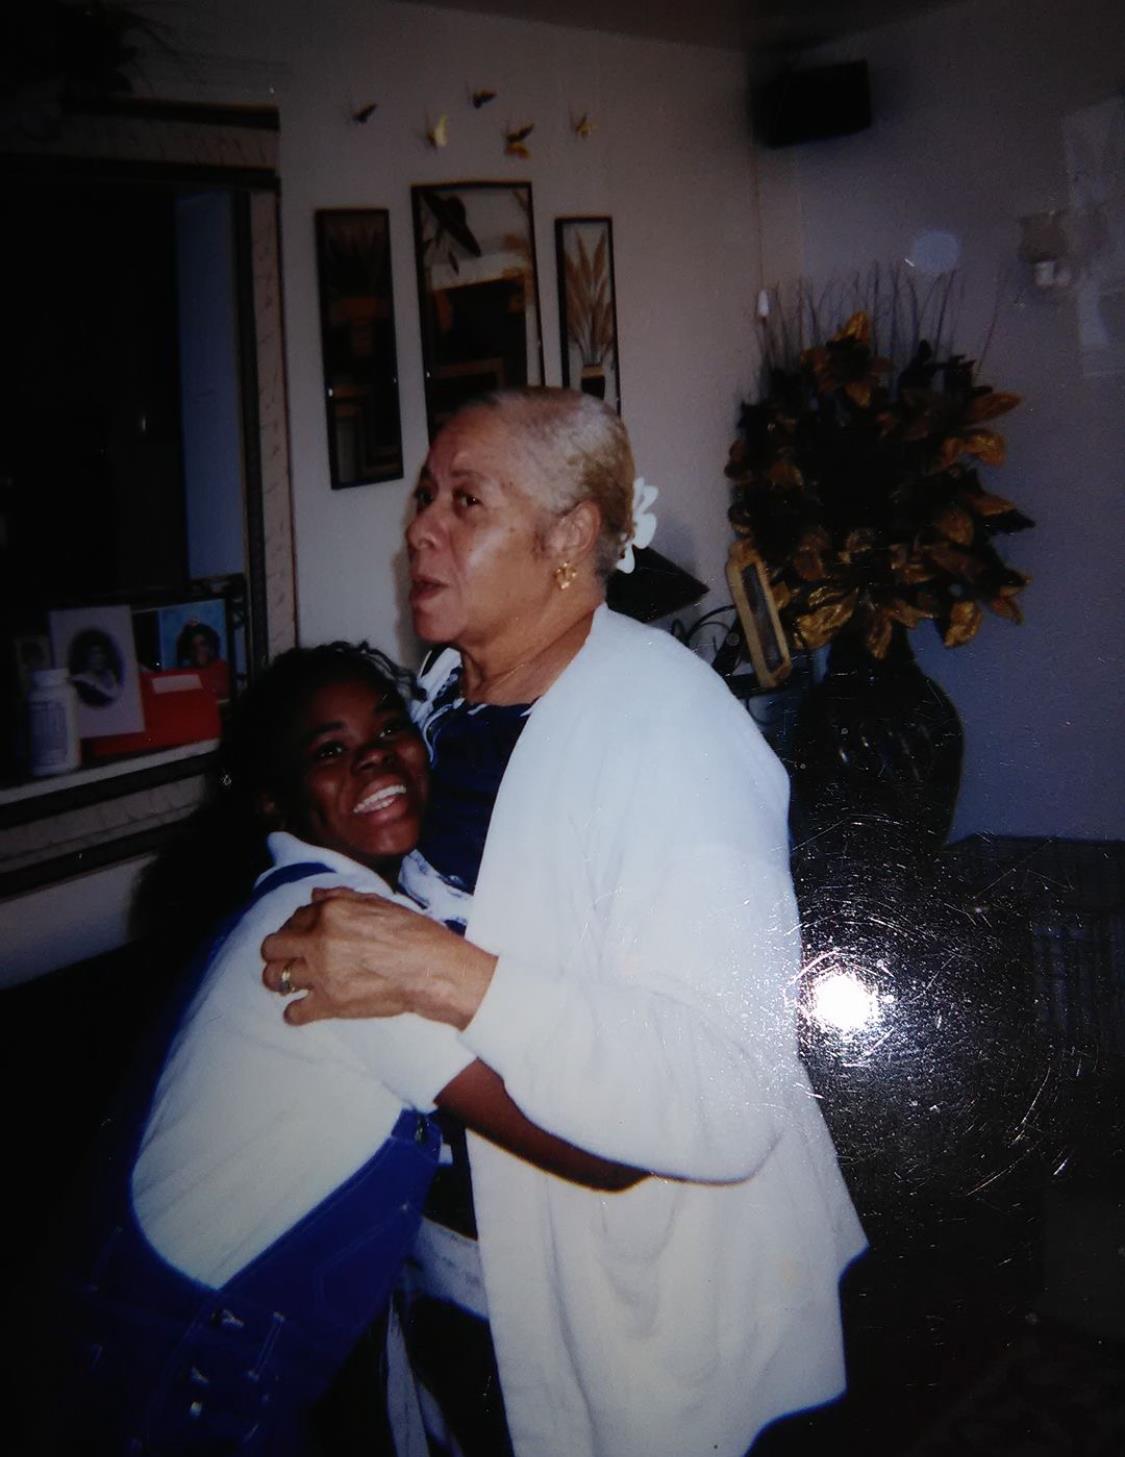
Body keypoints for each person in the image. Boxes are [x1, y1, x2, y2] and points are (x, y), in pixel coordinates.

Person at [262, 389, 868, 1457]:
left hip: (641, 1320)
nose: (420, 528)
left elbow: (725, 1096)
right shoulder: (440, 708)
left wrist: (439, 969)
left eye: (465, 499)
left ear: (569, 537)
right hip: (460, 1293)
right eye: (423, 496)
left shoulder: (674, 737)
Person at [40, 640, 638, 1457]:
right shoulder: (337, 932)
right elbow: (601, 1149)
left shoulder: (310, 899)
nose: (375, 760)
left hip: (149, 1357)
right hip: (170, 1386)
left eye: (389, 730)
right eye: (330, 751)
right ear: (271, 801)